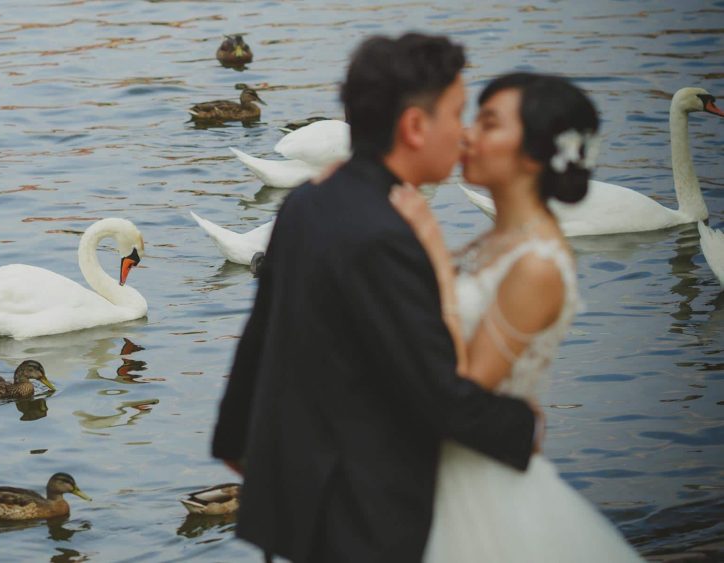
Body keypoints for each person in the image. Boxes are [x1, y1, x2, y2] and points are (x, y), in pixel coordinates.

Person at [211, 34, 540, 562]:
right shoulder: (383, 235)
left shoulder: (306, 204)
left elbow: (260, 338)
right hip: (363, 510)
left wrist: (234, 439)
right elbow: (430, 387)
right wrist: (522, 428)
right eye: (457, 114)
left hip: (309, 494)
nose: (465, 131)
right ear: (414, 127)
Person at [389, 72, 644, 562]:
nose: (467, 135)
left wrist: (432, 257)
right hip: (438, 478)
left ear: (531, 153)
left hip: (479, 493)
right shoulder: (491, 243)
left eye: (488, 123)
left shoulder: (538, 264)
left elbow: (463, 394)